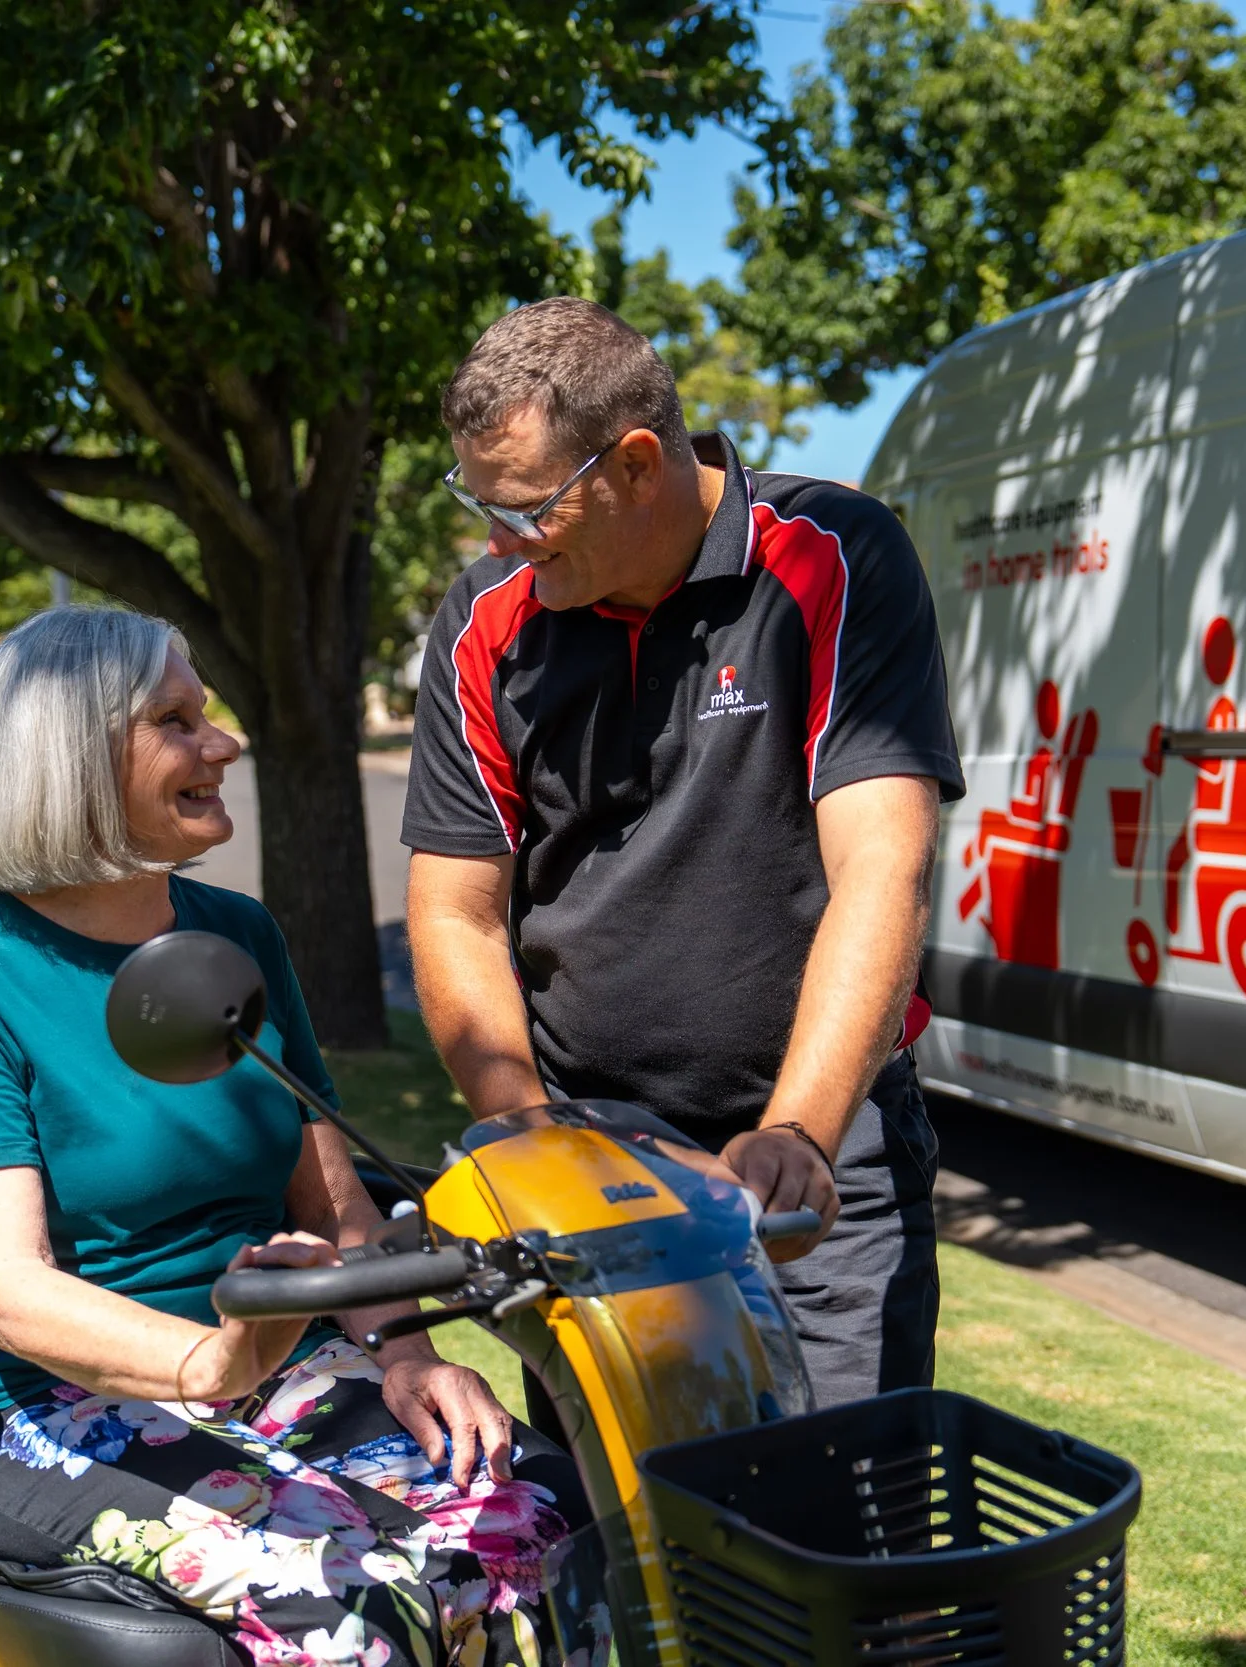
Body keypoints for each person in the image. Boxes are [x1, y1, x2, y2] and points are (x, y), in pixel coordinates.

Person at [0, 606, 589, 1667]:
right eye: (176, 720)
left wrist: (406, 1351)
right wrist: (207, 1360)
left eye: (208, 715)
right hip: (42, 1407)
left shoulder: (236, 937)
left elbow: (334, 1200)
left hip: (273, 1360)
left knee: (541, 1512)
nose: (220, 744)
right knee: (354, 1597)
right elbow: (8, 1289)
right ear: (71, 761)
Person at [403, 298, 966, 1408]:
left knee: (841, 1516)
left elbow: (881, 867)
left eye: (525, 507)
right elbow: (456, 910)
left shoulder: (830, 556)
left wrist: (798, 1125)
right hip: (588, 1146)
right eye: (479, 502)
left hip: (819, 1134)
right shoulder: (484, 619)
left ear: (637, 462)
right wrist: (524, 1132)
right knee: (623, 1522)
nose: (496, 539)